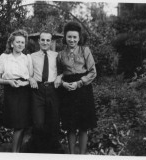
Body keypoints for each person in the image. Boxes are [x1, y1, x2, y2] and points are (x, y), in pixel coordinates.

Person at [57, 21, 98, 154]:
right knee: (70, 126)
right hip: (67, 90)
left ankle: (82, 155)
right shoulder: (60, 54)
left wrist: (79, 83)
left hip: (83, 89)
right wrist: (63, 83)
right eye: (69, 37)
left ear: (79, 38)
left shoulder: (85, 50)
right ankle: (72, 155)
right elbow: (58, 74)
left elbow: (93, 72)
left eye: (75, 37)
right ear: (65, 37)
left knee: (83, 125)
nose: (72, 40)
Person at [0, 29, 32, 152]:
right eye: (18, 42)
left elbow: (31, 78)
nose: (20, 44)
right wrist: (9, 82)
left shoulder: (27, 58)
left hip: (25, 92)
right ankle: (14, 153)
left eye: (23, 42)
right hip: (11, 91)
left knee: (22, 125)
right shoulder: (4, 57)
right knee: (17, 124)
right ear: (12, 44)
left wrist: (24, 83)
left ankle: (17, 152)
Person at [28, 31, 62, 153]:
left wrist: (60, 76)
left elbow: (63, 70)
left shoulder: (57, 55)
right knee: (38, 123)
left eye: (48, 40)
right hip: (38, 90)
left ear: (51, 41)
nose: (45, 42)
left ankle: (53, 151)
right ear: (39, 41)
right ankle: (38, 150)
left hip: (53, 89)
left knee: (53, 122)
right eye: (43, 40)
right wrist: (30, 78)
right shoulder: (32, 56)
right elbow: (27, 73)